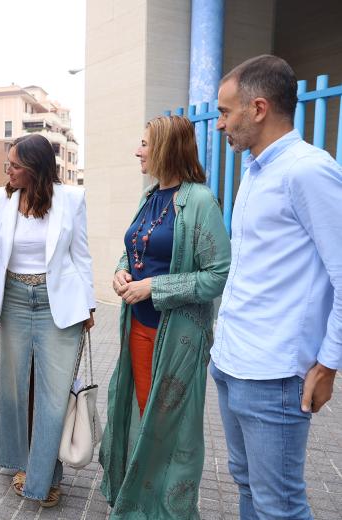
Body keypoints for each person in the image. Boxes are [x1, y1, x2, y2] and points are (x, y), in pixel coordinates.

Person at [211, 55, 342, 520]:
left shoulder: (308, 170)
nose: (220, 124)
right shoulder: (255, 170)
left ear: (259, 108)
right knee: (249, 488)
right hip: (232, 363)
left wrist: (328, 362)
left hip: (274, 375)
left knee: (280, 506)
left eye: (226, 112)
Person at [98, 115, 231, 518]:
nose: (137, 151)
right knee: (142, 419)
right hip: (137, 329)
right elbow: (136, 248)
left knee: (171, 435)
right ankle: (138, 506)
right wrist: (122, 270)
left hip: (176, 339)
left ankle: (168, 512)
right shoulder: (149, 196)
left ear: (166, 149)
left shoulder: (201, 201)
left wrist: (154, 288)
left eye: (144, 144)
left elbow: (217, 275)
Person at [0, 133, 96, 508]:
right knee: (15, 389)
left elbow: (82, 255)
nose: (8, 171)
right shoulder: (3, 199)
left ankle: (44, 479)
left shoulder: (71, 199)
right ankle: (21, 462)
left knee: (53, 394)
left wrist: (89, 306)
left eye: (14, 165)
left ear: (35, 169)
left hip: (55, 301)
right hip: (13, 298)